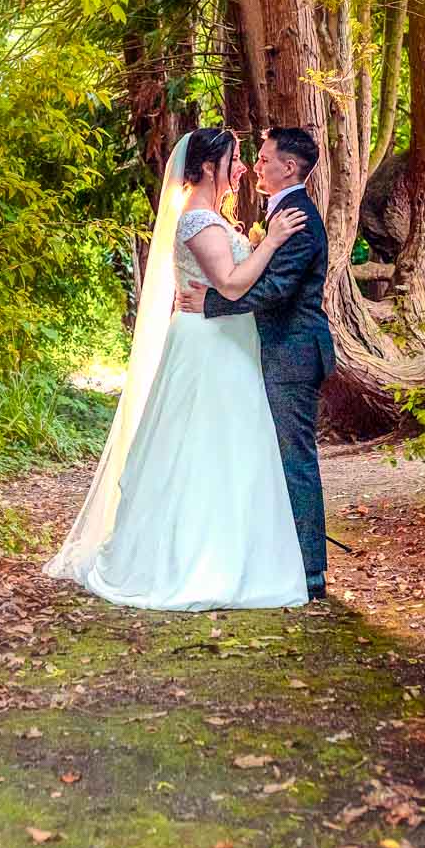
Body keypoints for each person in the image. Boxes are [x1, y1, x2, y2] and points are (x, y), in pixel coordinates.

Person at [44, 128, 311, 610]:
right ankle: (190, 560)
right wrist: (269, 243)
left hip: (227, 344)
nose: (243, 168)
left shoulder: (211, 217)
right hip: (208, 347)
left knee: (229, 448)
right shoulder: (196, 219)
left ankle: (234, 555)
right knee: (200, 446)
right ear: (210, 167)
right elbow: (230, 285)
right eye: (234, 160)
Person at [177, 126, 335, 600]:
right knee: (263, 456)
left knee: (295, 461)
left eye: (264, 159)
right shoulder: (278, 213)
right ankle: (269, 557)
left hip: (292, 350)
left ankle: (310, 572)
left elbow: (275, 291)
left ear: (289, 167)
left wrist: (211, 304)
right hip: (259, 350)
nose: (255, 167)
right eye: (252, 158)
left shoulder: (298, 217)